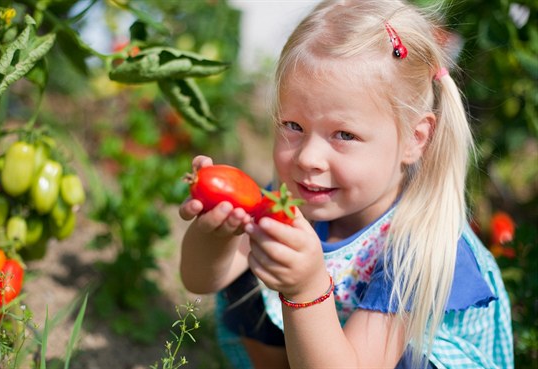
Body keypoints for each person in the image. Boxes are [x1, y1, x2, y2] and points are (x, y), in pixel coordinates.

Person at [178, 0, 514, 368]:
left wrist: (305, 289)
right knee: (255, 263)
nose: (308, 158)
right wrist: (216, 235)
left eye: (344, 134)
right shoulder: (290, 203)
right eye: (293, 126)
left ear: (415, 140)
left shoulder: (419, 245)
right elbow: (200, 280)